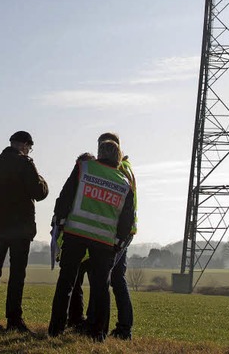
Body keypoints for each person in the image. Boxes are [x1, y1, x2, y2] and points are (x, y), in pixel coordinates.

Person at [48, 139, 133, 342]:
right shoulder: (124, 182)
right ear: (118, 156)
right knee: (101, 288)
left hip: (75, 233)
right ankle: (98, 333)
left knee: (66, 282)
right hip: (104, 241)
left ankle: (55, 329)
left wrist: (58, 221)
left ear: (99, 153)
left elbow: (66, 195)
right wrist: (119, 242)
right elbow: (126, 217)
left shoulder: (84, 168)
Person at [69, 132, 137, 339]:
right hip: (118, 231)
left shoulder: (120, 170)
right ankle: (104, 324)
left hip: (115, 232)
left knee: (109, 279)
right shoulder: (127, 168)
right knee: (108, 279)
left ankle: (119, 327)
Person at [0, 130, 48, 332]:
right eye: (29, 147)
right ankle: (14, 320)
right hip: (21, 229)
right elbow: (39, 192)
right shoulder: (25, 163)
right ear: (25, 145)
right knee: (17, 275)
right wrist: (41, 179)